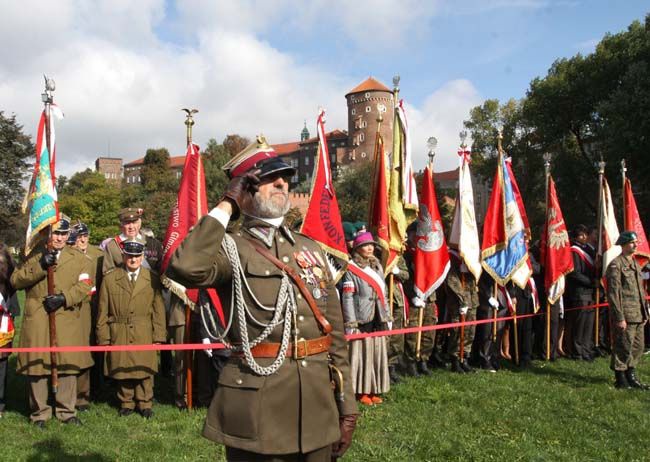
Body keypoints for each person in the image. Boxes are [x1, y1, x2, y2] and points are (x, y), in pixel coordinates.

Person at [166, 136, 358, 461]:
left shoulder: (308, 249)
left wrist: (347, 406)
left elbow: (335, 336)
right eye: (269, 178)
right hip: (259, 405)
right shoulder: (230, 248)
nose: (282, 182)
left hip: (317, 406)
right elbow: (184, 266)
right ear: (246, 188)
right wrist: (228, 204)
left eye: (285, 177)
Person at [11, 217, 94, 427]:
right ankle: (39, 413)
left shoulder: (80, 259)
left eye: (63, 234)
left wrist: (64, 298)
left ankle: (67, 411)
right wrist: (39, 266)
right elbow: (16, 280)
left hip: (66, 317)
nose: (58, 238)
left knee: (67, 366)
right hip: (38, 318)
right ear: (48, 234)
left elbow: (85, 286)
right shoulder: (32, 254)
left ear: (68, 236)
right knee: (37, 367)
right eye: (55, 233)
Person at [96, 239, 166, 417]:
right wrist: (103, 337)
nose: (133, 259)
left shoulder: (152, 278)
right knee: (122, 367)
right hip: (119, 329)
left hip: (144, 329)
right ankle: (126, 402)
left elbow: (158, 310)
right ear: (123, 255)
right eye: (130, 255)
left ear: (142, 256)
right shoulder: (110, 279)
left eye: (137, 256)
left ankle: (145, 402)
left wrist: (159, 335)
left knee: (145, 368)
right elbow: (102, 310)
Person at [342, 231, 391, 405]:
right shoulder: (351, 269)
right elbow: (347, 297)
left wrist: (387, 315)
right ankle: (360, 391)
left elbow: (383, 293)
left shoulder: (377, 266)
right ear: (357, 248)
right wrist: (350, 321)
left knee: (376, 353)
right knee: (361, 355)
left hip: (377, 317)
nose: (370, 248)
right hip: (361, 317)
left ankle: (373, 388)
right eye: (365, 245)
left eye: (371, 245)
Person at [606, 231, 649, 389]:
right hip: (626, 314)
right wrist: (619, 317)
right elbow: (613, 293)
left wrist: (645, 312)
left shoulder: (635, 263)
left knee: (637, 346)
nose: (636, 245)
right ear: (623, 244)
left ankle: (631, 375)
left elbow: (640, 291)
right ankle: (620, 378)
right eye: (632, 242)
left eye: (636, 242)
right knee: (623, 346)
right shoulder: (616, 264)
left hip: (638, 313)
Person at [73, 221, 104, 410]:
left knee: (97, 344)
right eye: (78, 236)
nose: (82, 239)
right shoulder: (69, 255)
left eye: (85, 235)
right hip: (77, 305)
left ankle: (99, 384)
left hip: (96, 304)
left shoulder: (98, 255)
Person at [445, 249, 479, 373]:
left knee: (470, 331)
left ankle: (465, 358)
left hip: (472, 300)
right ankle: (455, 360)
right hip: (458, 302)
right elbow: (451, 278)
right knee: (457, 331)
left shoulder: (470, 252)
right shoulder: (451, 256)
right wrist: (462, 299)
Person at [566, 224, 597, 361]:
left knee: (589, 323)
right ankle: (577, 351)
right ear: (575, 237)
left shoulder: (588, 251)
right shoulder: (574, 251)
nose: (584, 237)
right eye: (581, 235)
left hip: (589, 291)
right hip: (580, 291)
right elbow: (574, 273)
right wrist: (590, 282)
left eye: (585, 234)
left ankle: (586, 349)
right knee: (580, 323)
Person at [102, 208, 163, 275]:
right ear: (121, 225)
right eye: (127, 223)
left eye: (134, 222)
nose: (131, 227)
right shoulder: (112, 246)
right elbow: (107, 274)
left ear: (139, 224)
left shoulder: (153, 244)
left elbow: (162, 270)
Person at [0, 243, 18, 417]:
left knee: (1, 362)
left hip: (3, 320)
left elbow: (13, 287)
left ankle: (0, 401)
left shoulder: (7, 261)